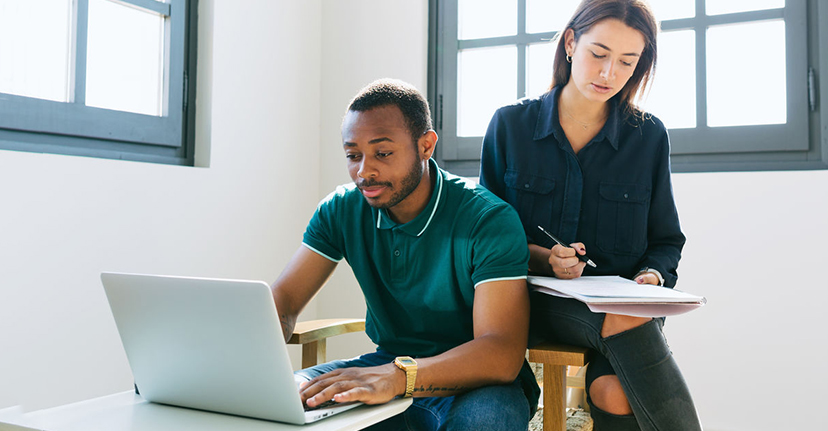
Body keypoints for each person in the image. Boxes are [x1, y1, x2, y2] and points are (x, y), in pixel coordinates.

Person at [479, 1, 702, 430]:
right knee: (625, 319)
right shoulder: (511, 126)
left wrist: (651, 278)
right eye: (598, 54)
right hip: (531, 304)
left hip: (621, 311)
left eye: (626, 62)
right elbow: (484, 240)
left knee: (613, 393)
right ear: (569, 43)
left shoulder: (648, 136)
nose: (608, 74)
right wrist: (545, 259)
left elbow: (666, 241)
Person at [271, 79, 539, 431]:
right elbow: (284, 302)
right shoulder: (340, 209)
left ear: (426, 145)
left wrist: (398, 377)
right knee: (282, 402)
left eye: (382, 153)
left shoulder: (487, 219)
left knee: (484, 424)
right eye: (353, 155)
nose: (364, 172)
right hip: (384, 364)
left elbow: (500, 353)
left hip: (477, 380)